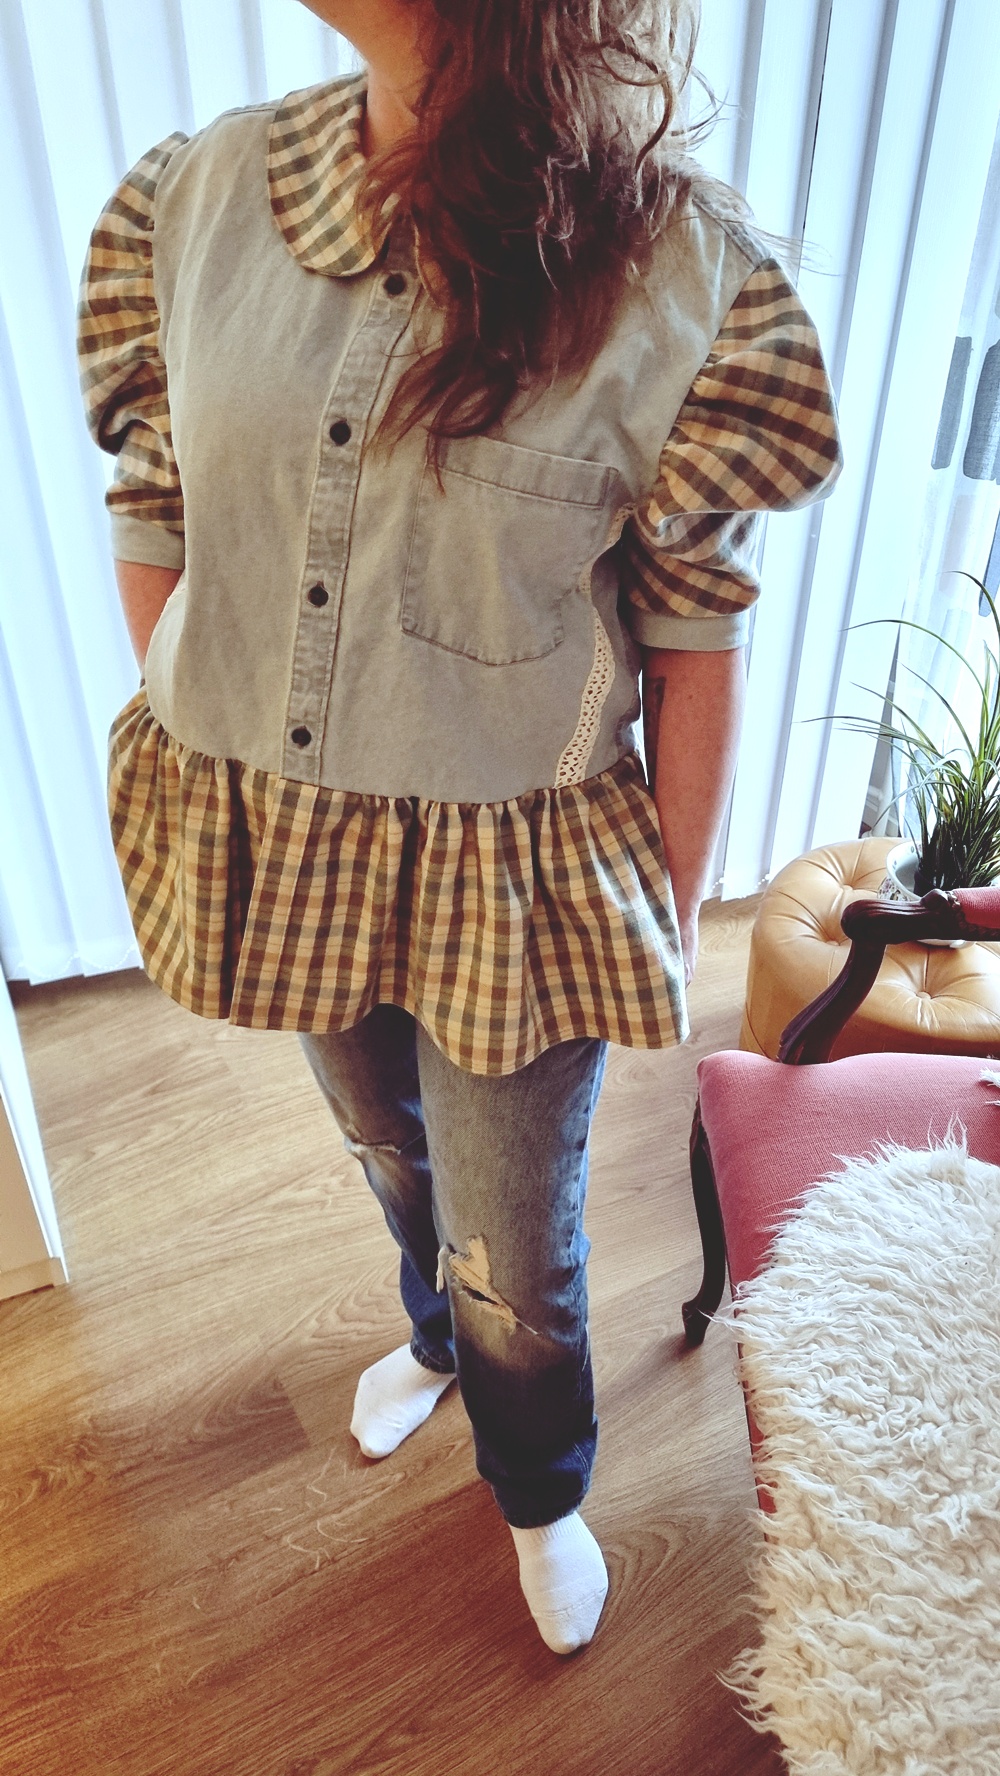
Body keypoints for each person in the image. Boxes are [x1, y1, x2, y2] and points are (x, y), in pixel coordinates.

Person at [77, 0, 841, 1655]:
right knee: (386, 1141)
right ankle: (433, 1338)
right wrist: (203, 718)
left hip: (520, 876)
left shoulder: (669, 272)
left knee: (514, 1223)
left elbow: (693, 627)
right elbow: (158, 494)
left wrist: (658, 903)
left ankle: (541, 1481)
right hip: (285, 839)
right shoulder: (199, 199)